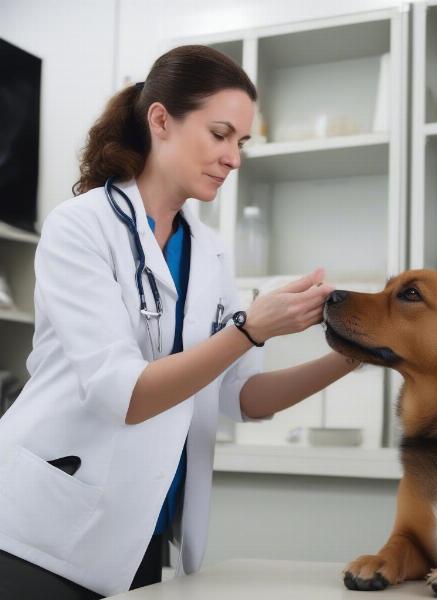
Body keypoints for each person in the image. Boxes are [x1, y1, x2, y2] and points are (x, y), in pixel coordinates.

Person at [0, 45, 360, 600]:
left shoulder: (211, 252)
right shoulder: (81, 226)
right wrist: (249, 329)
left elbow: (242, 398)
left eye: (241, 143)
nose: (234, 158)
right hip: (44, 528)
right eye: (219, 135)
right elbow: (125, 396)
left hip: (141, 529)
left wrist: (351, 353)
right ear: (161, 120)